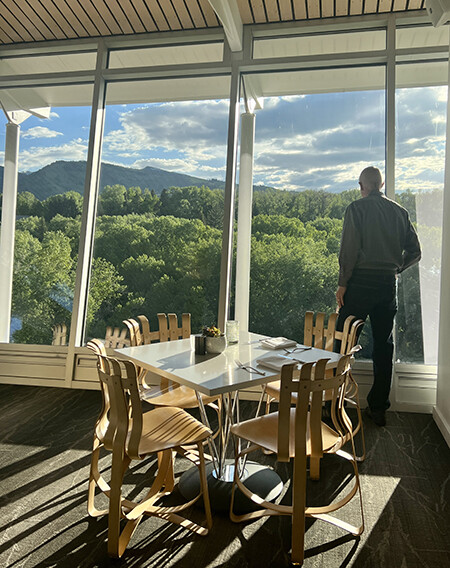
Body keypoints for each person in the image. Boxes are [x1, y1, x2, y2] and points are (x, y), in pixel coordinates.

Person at [336, 166, 421, 427]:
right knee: (383, 346)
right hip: (386, 284)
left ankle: (331, 404)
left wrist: (342, 285)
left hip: (360, 282)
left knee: (343, 342)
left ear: (363, 186)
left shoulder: (356, 209)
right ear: (381, 185)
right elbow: (415, 252)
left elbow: (349, 251)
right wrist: (397, 268)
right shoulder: (400, 212)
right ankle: (378, 408)